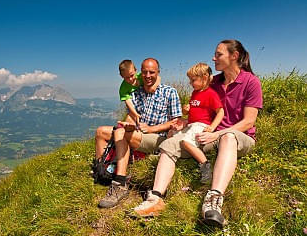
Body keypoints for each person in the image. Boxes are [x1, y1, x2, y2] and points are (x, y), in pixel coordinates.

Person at [133, 40, 263, 228]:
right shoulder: (213, 82)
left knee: (228, 137)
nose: (213, 58)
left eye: (218, 54)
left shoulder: (251, 82)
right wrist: (186, 122)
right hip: (206, 134)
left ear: (234, 56)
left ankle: (214, 200)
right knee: (170, 143)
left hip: (237, 137)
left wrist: (217, 135)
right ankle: (155, 199)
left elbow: (248, 122)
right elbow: (203, 110)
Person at [96, 58, 182, 208]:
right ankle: (102, 171)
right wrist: (127, 123)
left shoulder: (169, 92)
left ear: (158, 73)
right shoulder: (137, 93)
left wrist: (151, 129)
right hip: (138, 133)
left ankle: (120, 184)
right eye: (145, 72)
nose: (148, 75)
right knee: (101, 131)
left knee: (120, 133)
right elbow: (131, 115)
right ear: (140, 74)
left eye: (151, 72)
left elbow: (176, 122)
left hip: (158, 137)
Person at [168, 62, 224, 184]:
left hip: (201, 125)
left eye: (193, 80)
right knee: (172, 134)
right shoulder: (195, 93)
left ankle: (205, 166)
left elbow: (220, 112)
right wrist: (185, 110)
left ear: (204, 78)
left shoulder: (211, 94)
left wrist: (212, 127)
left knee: (186, 142)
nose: (190, 83)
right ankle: (173, 159)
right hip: (191, 124)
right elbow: (192, 113)